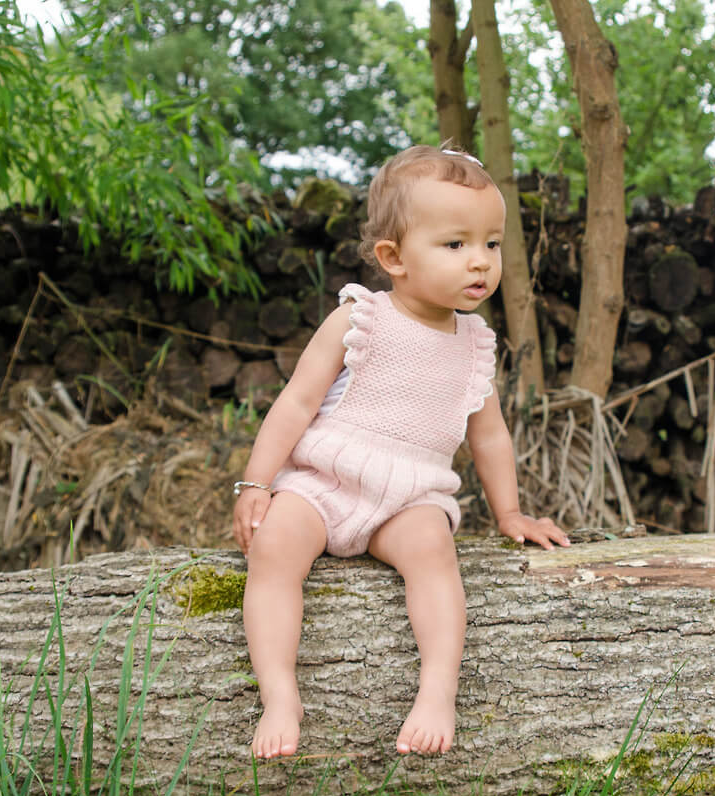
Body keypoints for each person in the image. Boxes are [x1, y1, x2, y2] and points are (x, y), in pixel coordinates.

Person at [232, 144, 569, 761]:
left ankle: (437, 689)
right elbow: (295, 404)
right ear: (394, 257)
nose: (480, 262)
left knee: (434, 552)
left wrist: (511, 514)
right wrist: (255, 483)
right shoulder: (363, 318)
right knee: (276, 548)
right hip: (322, 484)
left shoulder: (474, 343)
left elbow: (488, 435)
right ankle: (280, 694)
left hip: (408, 497)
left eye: (491, 244)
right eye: (455, 244)